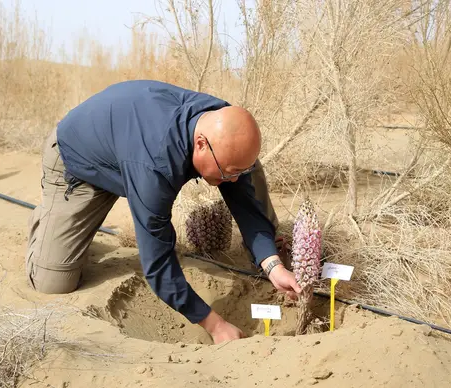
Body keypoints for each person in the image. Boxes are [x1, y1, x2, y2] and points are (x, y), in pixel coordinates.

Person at [25, 80, 303, 344]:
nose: (232, 180)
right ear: (201, 144)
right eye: (228, 173)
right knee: (53, 282)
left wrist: (272, 265)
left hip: (125, 151)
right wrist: (216, 325)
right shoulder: (155, 164)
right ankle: (49, 224)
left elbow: (244, 196)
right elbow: (157, 266)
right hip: (77, 161)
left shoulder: (223, 123)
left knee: (245, 170)